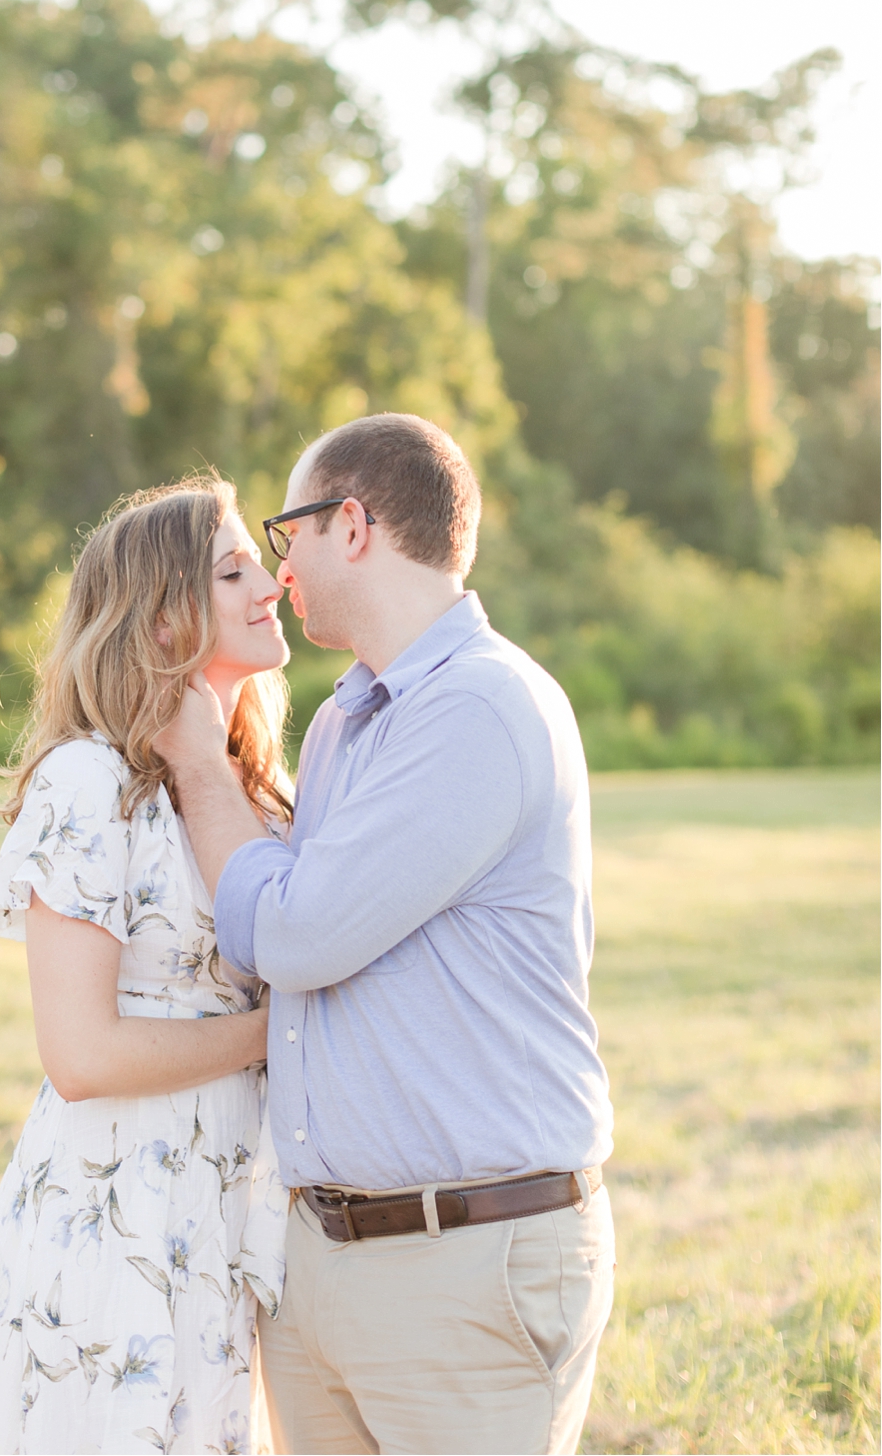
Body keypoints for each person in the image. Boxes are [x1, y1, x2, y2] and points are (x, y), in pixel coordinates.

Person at [155, 413, 616, 1456]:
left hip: (467, 1257)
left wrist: (200, 769)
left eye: (288, 535)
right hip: (324, 1257)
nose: (279, 572)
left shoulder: (480, 707)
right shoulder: (343, 719)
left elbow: (301, 930)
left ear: (351, 524)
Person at [0, 479, 291, 1456]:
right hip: (119, 1201)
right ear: (162, 613)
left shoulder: (264, 794)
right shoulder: (88, 782)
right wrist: (282, 1030)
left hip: (231, 1203)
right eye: (234, 570)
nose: (269, 585)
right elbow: (81, 1053)